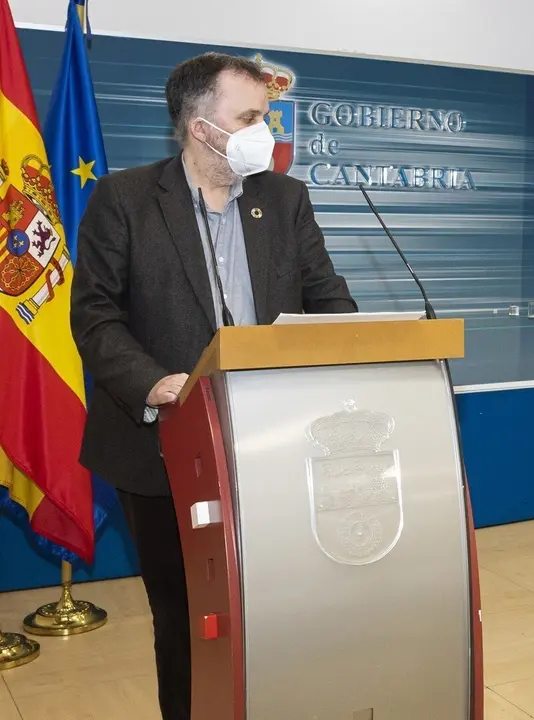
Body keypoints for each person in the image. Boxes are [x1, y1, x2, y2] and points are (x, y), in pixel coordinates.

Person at [70, 52, 357, 719]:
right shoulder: (126, 199)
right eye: (252, 117)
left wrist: (356, 346)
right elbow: (95, 315)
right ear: (202, 128)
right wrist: (155, 383)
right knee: (186, 620)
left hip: (276, 443)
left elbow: (325, 294)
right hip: (165, 449)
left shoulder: (285, 199)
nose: (268, 130)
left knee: (277, 605)